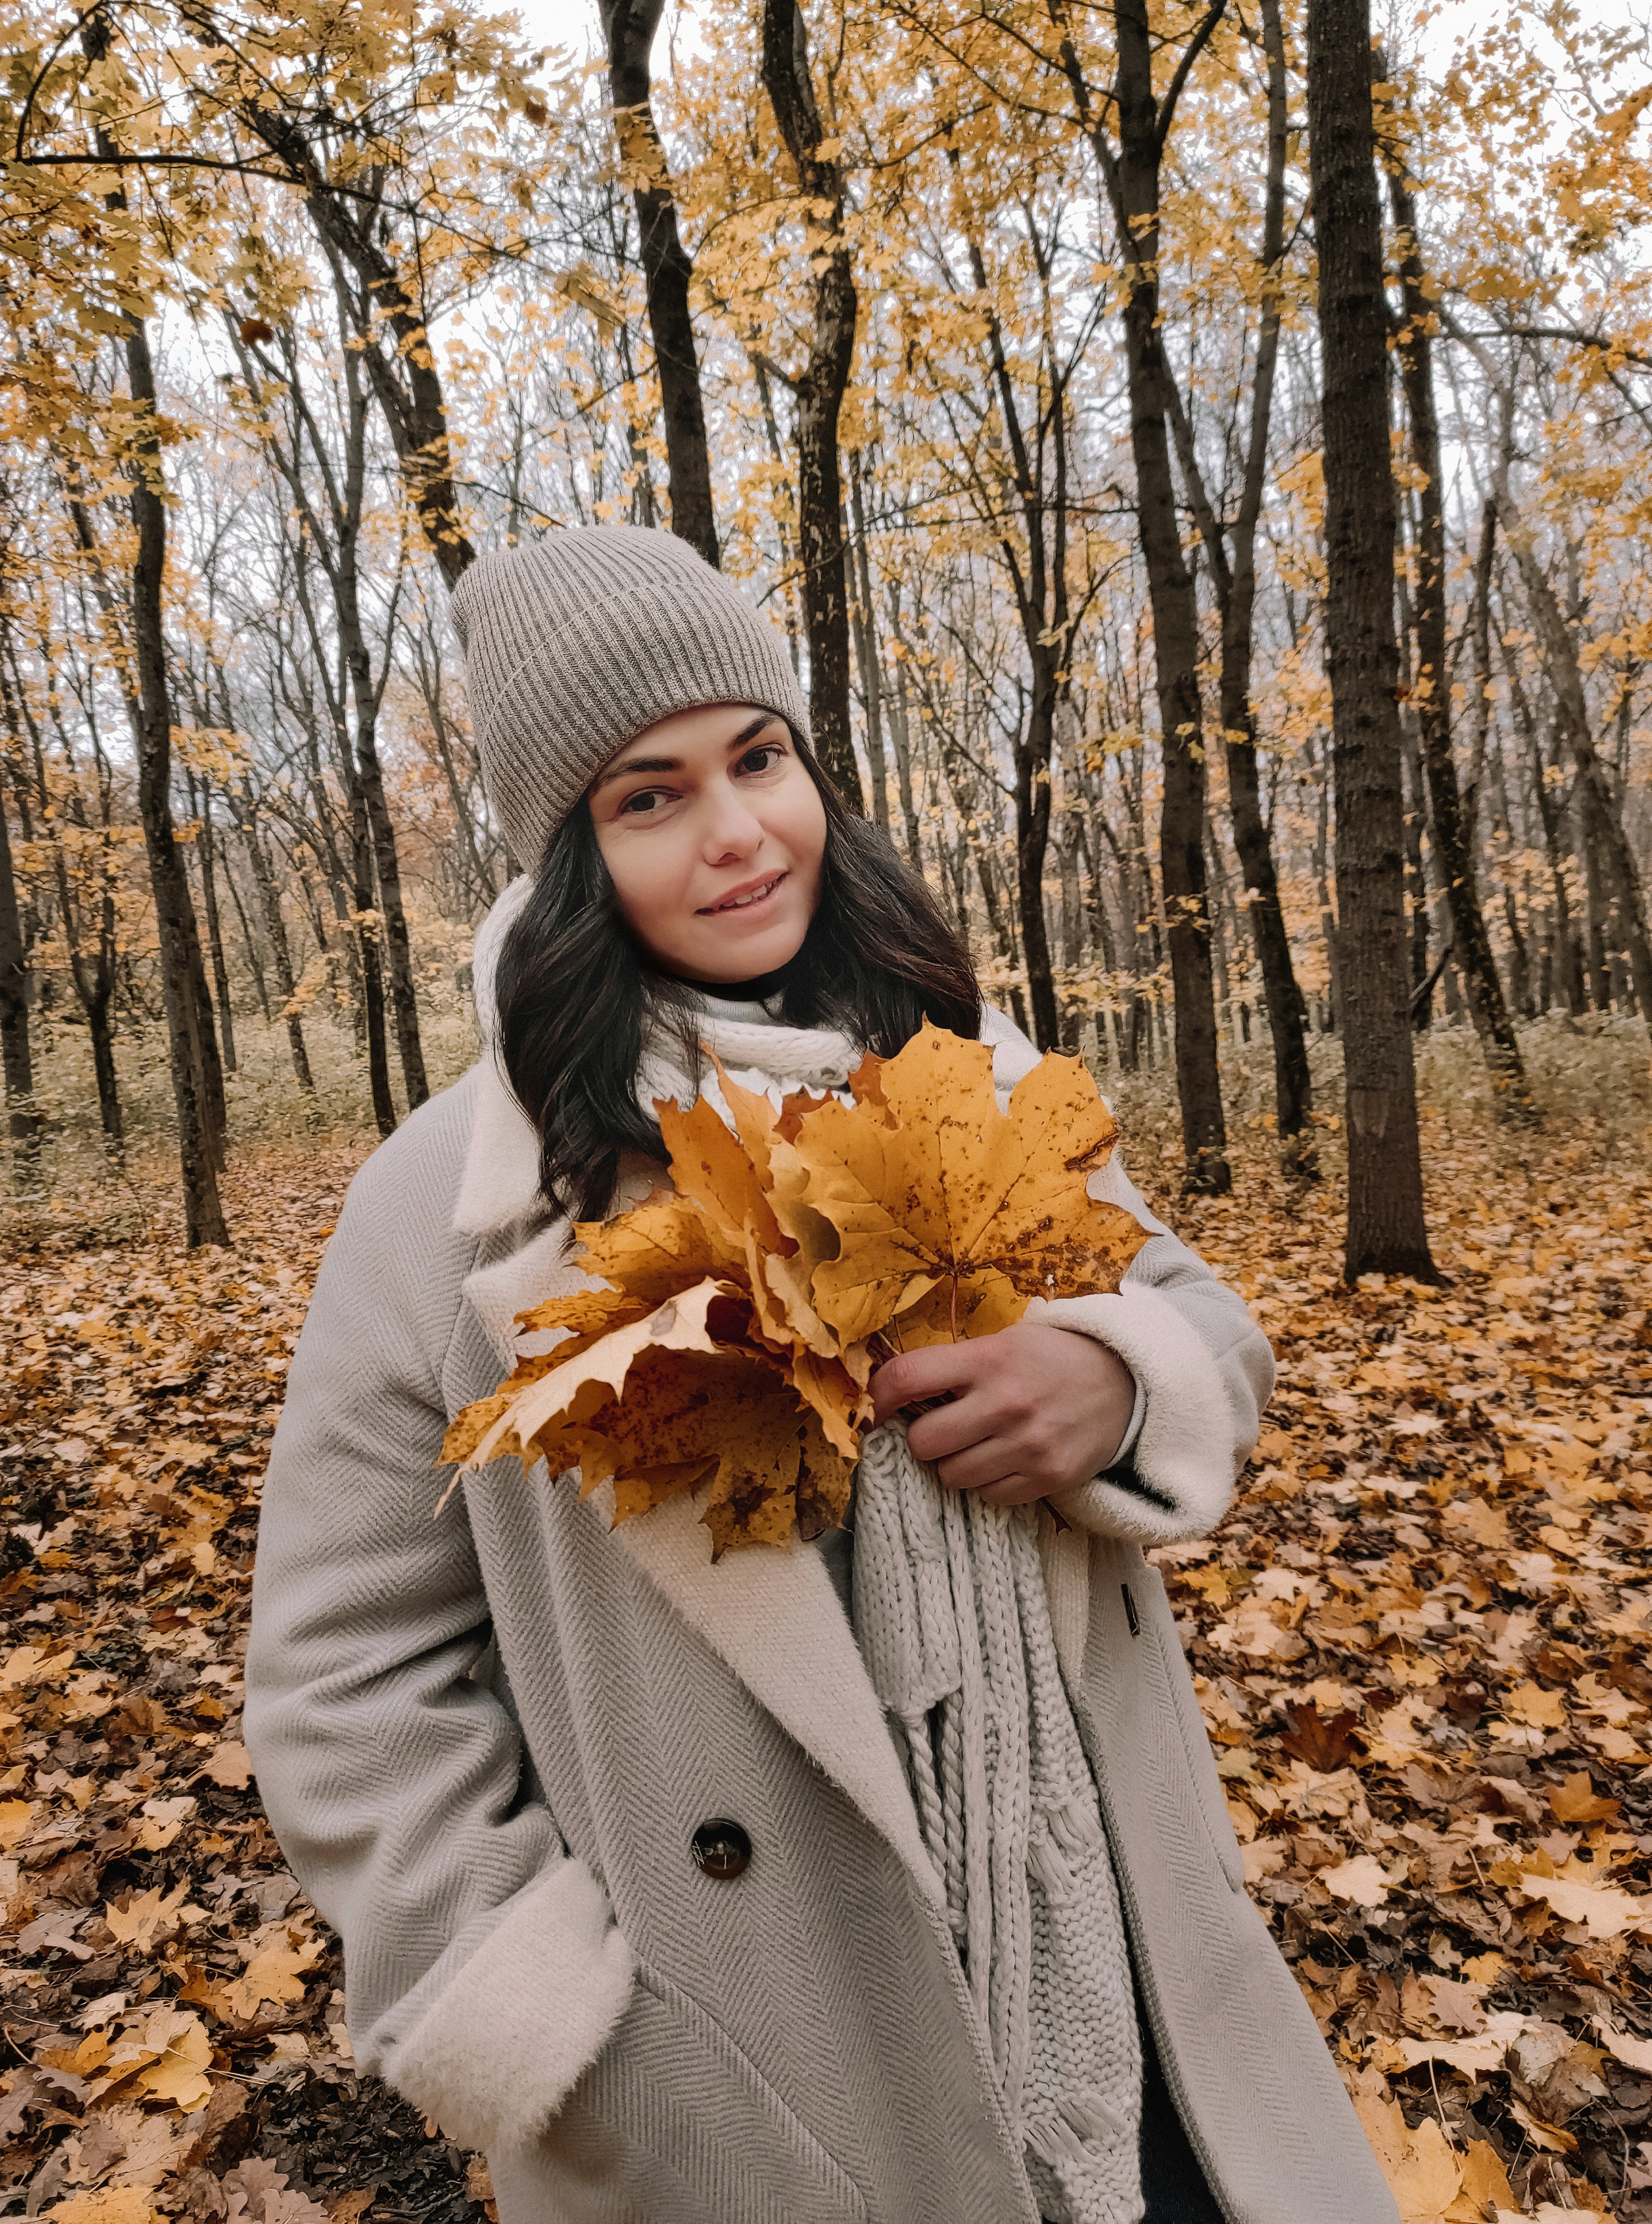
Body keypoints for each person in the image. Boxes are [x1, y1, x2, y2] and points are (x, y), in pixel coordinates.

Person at [244, 527, 1393, 2224]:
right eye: (650, 797)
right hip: (760, 2091)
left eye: (760, 760)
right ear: (569, 855)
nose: (737, 834)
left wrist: (1115, 1380)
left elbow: (1202, 1324)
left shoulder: (972, 1078)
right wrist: (578, 2042)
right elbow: (341, 1679)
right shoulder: (458, 1214)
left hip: (1116, 1970)